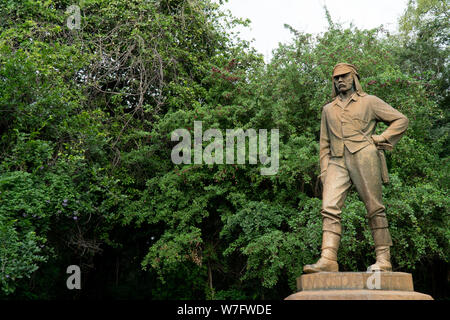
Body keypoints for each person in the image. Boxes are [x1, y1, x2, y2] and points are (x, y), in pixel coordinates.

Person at [303, 63, 409, 273]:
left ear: (354, 78)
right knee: (329, 208)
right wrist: (324, 170)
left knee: (375, 207)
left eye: (344, 76)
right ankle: (328, 259)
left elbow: (401, 120)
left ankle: (383, 259)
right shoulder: (328, 109)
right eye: (336, 78)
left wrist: (380, 138)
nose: (340, 80)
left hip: (364, 156)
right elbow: (324, 144)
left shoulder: (369, 102)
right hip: (336, 161)